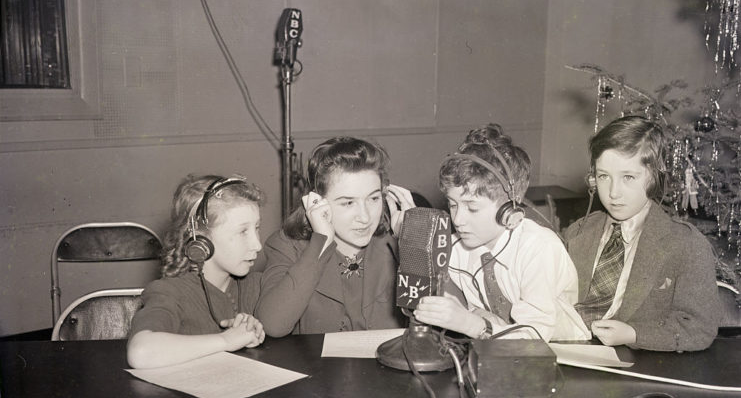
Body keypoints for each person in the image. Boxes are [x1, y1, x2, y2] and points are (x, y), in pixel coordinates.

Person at [413, 124, 590, 342]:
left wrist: (473, 324)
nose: (458, 220)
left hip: (563, 352)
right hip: (496, 351)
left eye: (472, 208)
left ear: (509, 208)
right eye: (453, 205)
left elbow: (535, 337)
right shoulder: (455, 249)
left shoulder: (538, 247)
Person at [563, 115, 720, 351]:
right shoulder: (578, 232)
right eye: (604, 176)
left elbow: (699, 327)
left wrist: (635, 334)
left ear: (655, 179)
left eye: (628, 177)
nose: (613, 192)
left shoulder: (685, 244)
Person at [256, 137, 416, 336]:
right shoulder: (286, 246)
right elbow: (272, 325)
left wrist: (415, 243)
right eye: (348, 203)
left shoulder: (395, 243)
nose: (365, 217)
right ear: (317, 201)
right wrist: (321, 243)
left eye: (374, 198)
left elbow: (445, 320)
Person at [127, 174, 265, 369]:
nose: (257, 245)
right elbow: (140, 353)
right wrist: (226, 341)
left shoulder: (256, 284)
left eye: (257, 228)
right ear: (200, 239)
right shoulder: (170, 292)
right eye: (243, 231)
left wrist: (252, 331)